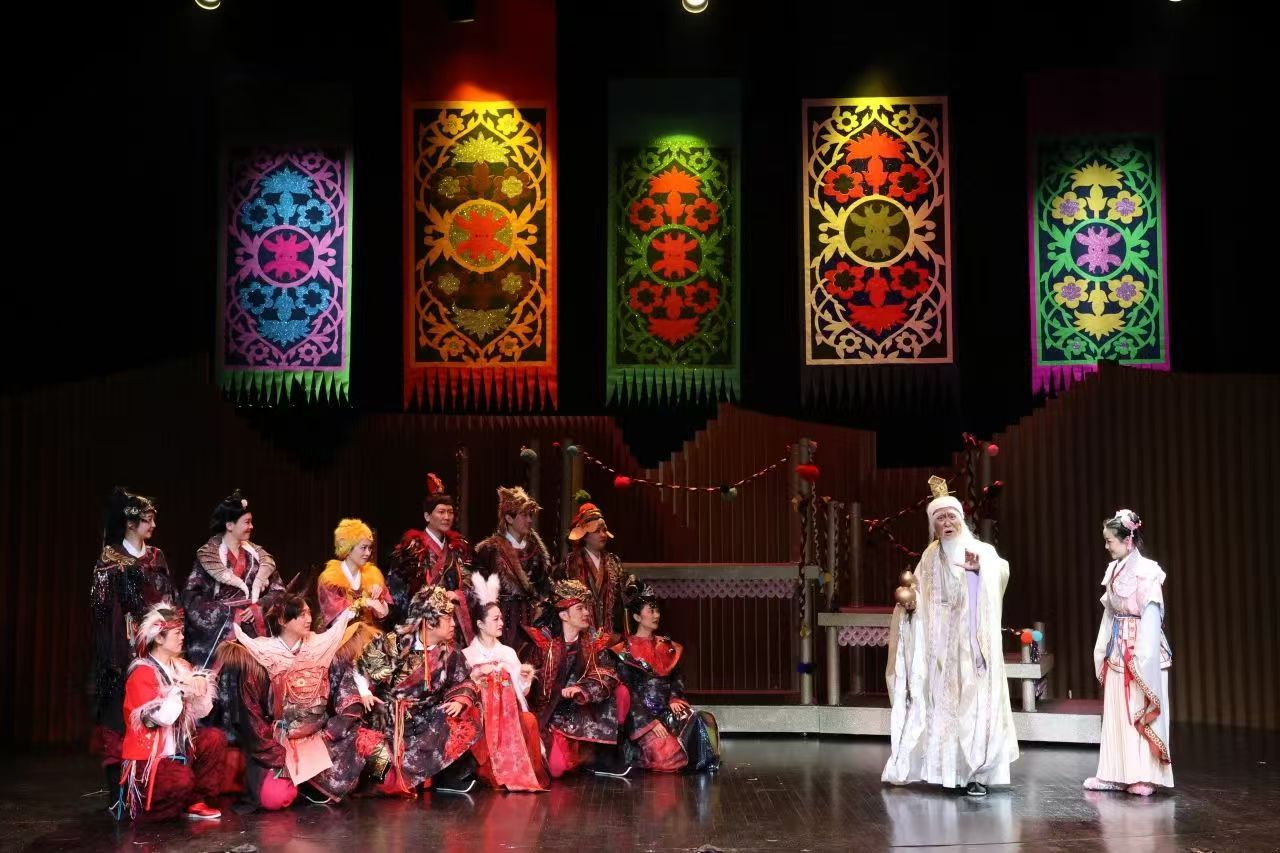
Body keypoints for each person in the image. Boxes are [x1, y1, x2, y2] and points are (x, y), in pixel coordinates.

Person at [883, 475, 1019, 796]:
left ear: (961, 519)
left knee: (974, 706)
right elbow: (920, 593)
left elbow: (999, 574)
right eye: (940, 518)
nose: (946, 523)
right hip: (939, 644)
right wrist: (911, 605)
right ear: (933, 525)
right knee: (943, 707)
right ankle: (948, 772)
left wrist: (977, 573)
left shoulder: (980, 550)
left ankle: (977, 773)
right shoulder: (930, 556)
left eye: (951, 516)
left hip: (971, 643)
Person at [218, 594, 383, 809]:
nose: (309, 619)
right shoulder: (262, 653)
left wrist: (333, 730)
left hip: (319, 737)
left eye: (309, 613)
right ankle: (300, 784)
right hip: (283, 741)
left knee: (375, 751)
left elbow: (345, 688)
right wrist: (274, 752)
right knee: (275, 798)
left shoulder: (320, 646)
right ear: (283, 620)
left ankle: (312, 785)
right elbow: (251, 712)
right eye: (301, 615)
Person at [357, 585, 483, 795]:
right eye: (448, 618)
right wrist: (364, 692)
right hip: (390, 720)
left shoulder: (450, 652)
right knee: (382, 776)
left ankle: (444, 777)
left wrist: (460, 699)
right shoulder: (396, 643)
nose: (454, 624)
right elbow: (361, 668)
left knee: (463, 715)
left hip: (426, 717)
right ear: (429, 622)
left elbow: (464, 681)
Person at [90, 488, 177, 782]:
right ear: (130, 523)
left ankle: (153, 779)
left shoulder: (157, 556)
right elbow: (102, 611)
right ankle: (121, 787)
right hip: (122, 647)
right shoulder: (111, 558)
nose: (153, 525)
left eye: (153, 519)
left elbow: (169, 598)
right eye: (147, 519)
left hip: (155, 644)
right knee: (120, 716)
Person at [1084, 509, 1173, 796]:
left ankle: (1144, 776)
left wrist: (1142, 657)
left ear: (1128, 540)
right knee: (1116, 714)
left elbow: (1152, 615)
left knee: (1139, 708)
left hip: (1141, 649)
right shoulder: (1113, 570)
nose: (1107, 546)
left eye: (1110, 541)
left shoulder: (1148, 571)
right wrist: (1102, 650)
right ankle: (1113, 774)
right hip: (1117, 649)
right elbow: (1109, 614)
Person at [183, 490, 285, 735]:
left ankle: (257, 734)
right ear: (230, 525)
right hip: (222, 635)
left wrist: (258, 608)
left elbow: (279, 591)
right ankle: (225, 736)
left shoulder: (258, 557)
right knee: (228, 675)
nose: (251, 526)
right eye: (246, 522)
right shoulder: (209, 557)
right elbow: (192, 599)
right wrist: (232, 615)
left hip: (255, 633)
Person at [117, 606, 225, 822]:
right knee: (181, 779)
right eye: (177, 633)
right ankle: (157, 810)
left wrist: (201, 687)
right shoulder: (141, 673)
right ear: (159, 638)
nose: (182, 637)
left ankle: (195, 801)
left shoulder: (181, 666)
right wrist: (181, 690)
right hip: (150, 760)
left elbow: (201, 712)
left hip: (178, 749)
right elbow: (156, 720)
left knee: (214, 738)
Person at [523, 579, 630, 779]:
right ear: (564, 615)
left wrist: (583, 689)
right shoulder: (542, 643)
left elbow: (609, 672)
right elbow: (528, 684)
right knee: (556, 769)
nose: (587, 613)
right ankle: (582, 757)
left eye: (586, 608)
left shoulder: (593, 641)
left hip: (582, 705)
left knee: (621, 692)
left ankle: (605, 755)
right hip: (552, 712)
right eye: (580, 609)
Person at [611, 580, 719, 773]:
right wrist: (649, 723)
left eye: (657, 611)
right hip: (641, 718)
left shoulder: (667, 647)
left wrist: (675, 698)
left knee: (700, 726)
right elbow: (627, 692)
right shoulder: (624, 651)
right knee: (665, 755)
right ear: (637, 616)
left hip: (668, 710)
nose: (656, 615)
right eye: (651, 611)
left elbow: (676, 679)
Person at [462, 574, 549, 791]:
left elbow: (521, 694)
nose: (501, 623)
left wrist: (524, 678)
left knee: (528, 720)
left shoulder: (508, 652)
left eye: (501, 618)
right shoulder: (468, 655)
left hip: (509, 716)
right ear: (480, 624)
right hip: (484, 716)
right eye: (495, 619)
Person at [387, 473, 473, 636]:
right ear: (427, 516)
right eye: (441, 512)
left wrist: (457, 594)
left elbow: (471, 583)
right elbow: (397, 589)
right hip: (422, 623)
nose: (447, 517)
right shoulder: (411, 548)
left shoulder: (458, 548)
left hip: (451, 621)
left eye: (450, 512)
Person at [472, 485, 553, 652]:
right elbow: (479, 590)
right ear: (509, 518)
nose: (529, 520)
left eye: (530, 515)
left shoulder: (536, 551)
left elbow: (544, 587)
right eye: (524, 515)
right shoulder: (490, 550)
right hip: (502, 620)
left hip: (532, 620)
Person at [557, 494, 626, 634]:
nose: (603, 535)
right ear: (585, 535)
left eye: (604, 530)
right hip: (582, 632)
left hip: (610, 635)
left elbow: (621, 602)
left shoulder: (613, 561)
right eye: (597, 531)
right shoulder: (571, 562)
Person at [316, 518, 392, 628]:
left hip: (368, 634)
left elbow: (383, 615)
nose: (368, 553)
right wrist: (364, 602)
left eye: (369, 548)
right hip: (342, 635)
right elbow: (335, 618)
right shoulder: (331, 580)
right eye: (363, 548)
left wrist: (378, 598)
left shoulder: (373, 576)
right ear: (348, 548)